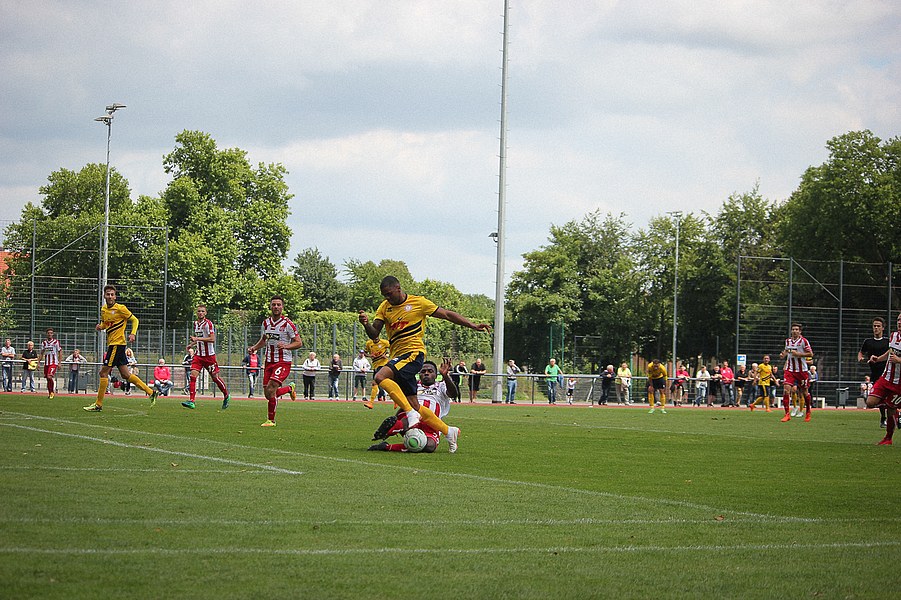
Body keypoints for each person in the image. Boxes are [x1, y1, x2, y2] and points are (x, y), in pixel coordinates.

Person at [358, 275, 490, 454]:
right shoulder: (384, 307)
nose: (387, 297)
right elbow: (374, 334)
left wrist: (472, 325)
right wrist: (366, 324)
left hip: (413, 353)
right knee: (415, 405)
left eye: (389, 293)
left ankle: (408, 416)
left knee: (380, 376)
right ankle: (448, 431)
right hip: (398, 357)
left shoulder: (419, 303)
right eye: (384, 295)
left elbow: (447, 314)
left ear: (398, 288)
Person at [83, 285, 158, 411]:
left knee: (103, 373)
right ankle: (151, 392)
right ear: (104, 296)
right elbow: (106, 323)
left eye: (112, 294)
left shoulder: (121, 308)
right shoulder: (104, 309)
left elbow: (135, 320)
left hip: (116, 345)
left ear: (115, 296)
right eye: (108, 294)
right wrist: (101, 327)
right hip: (115, 345)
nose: (110, 296)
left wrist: (133, 333)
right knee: (126, 374)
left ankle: (98, 404)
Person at [368, 359, 459, 453]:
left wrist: (445, 376)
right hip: (412, 417)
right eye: (423, 371)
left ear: (436, 375)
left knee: (429, 446)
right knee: (409, 416)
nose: (426, 373)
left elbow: (453, 394)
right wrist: (396, 418)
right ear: (419, 374)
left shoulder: (441, 385)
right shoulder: (414, 386)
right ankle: (396, 427)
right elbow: (405, 404)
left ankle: (387, 446)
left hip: (433, 423)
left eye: (430, 371)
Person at [247, 295, 302, 427]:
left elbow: (299, 342)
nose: (276, 307)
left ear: (282, 307)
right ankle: (289, 388)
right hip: (269, 362)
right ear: (270, 306)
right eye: (274, 304)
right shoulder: (266, 323)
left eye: (278, 304)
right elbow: (264, 340)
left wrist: (286, 346)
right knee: (268, 394)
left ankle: (271, 420)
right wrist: (254, 348)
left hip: (283, 362)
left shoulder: (287, 324)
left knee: (271, 388)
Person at [184, 304, 232, 410]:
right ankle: (191, 401)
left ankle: (226, 394)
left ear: (205, 313)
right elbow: (200, 337)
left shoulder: (208, 324)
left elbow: (212, 339)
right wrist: (191, 344)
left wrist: (196, 339)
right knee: (192, 376)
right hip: (198, 356)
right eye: (199, 311)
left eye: (202, 311)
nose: (200, 313)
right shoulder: (196, 324)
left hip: (209, 357)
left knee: (215, 378)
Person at [864, 312, 901, 445]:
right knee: (870, 402)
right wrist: (878, 359)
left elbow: (896, 357)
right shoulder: (893, 335)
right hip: (885, 378)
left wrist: (899, 360)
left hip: (898, 383)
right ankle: (895, 408)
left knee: (890, 410)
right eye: (898, 319)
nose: (899, 322)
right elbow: (890, 352)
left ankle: (888, 438)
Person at [779, 322, 814, 422]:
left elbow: (810, 354)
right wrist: (783, 354)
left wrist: (798, 354)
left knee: (804, 392)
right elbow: (786, 351)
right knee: (786, 390)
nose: (794, 331)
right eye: (793, 329)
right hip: (789, 370)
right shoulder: (788, 341)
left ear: (800, 331)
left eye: (796, 329)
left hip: (801, 371)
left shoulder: (804, 341)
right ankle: (787, 414)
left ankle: (808, 412)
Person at [859, 317, 890, 428]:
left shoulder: (888, 341)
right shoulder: (868, 342)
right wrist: (861, 359)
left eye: (878, 326)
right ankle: (883, 418)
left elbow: (891, 352)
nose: (876, 328)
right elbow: (861, 353)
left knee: (889, 397)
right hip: (875, 374)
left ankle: (893, 418)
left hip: (888, 373)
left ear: (883, 328)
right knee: (878, 398)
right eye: (874, 326)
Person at [364, 337, 391, 408]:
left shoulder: (384, 342)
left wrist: (387, 355)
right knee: (384, 384)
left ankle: (371, 402)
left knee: (375, 383)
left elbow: (393, 348)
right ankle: (396, 401)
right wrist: (370, 355)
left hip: (383, 365)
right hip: (375, 366)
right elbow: (365, 353)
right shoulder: (369, 343)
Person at [37, 328, 62, 399]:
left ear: (53, 334)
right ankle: (50, 392)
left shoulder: (56, 342)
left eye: (51, 333)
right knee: (47, 379)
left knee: (49, 376)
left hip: (53, 363)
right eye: (48, 333)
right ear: (46, 334)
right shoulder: (44, 343)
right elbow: (41, 353)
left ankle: (52, 392)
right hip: (46, 363)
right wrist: (38, 363)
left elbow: (60, 352)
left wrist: (59, 363)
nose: (50, 334)